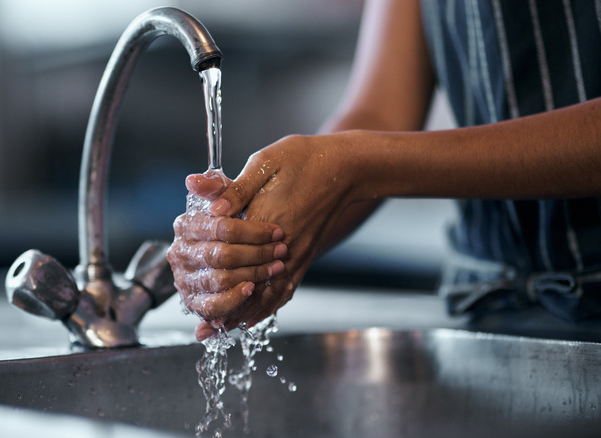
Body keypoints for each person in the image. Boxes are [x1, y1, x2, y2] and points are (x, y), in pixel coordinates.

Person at [167, 0, 601, 341]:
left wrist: (356, 163)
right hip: (489, 307)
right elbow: (383, 107)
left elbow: (362, 154)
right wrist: (251, 242)